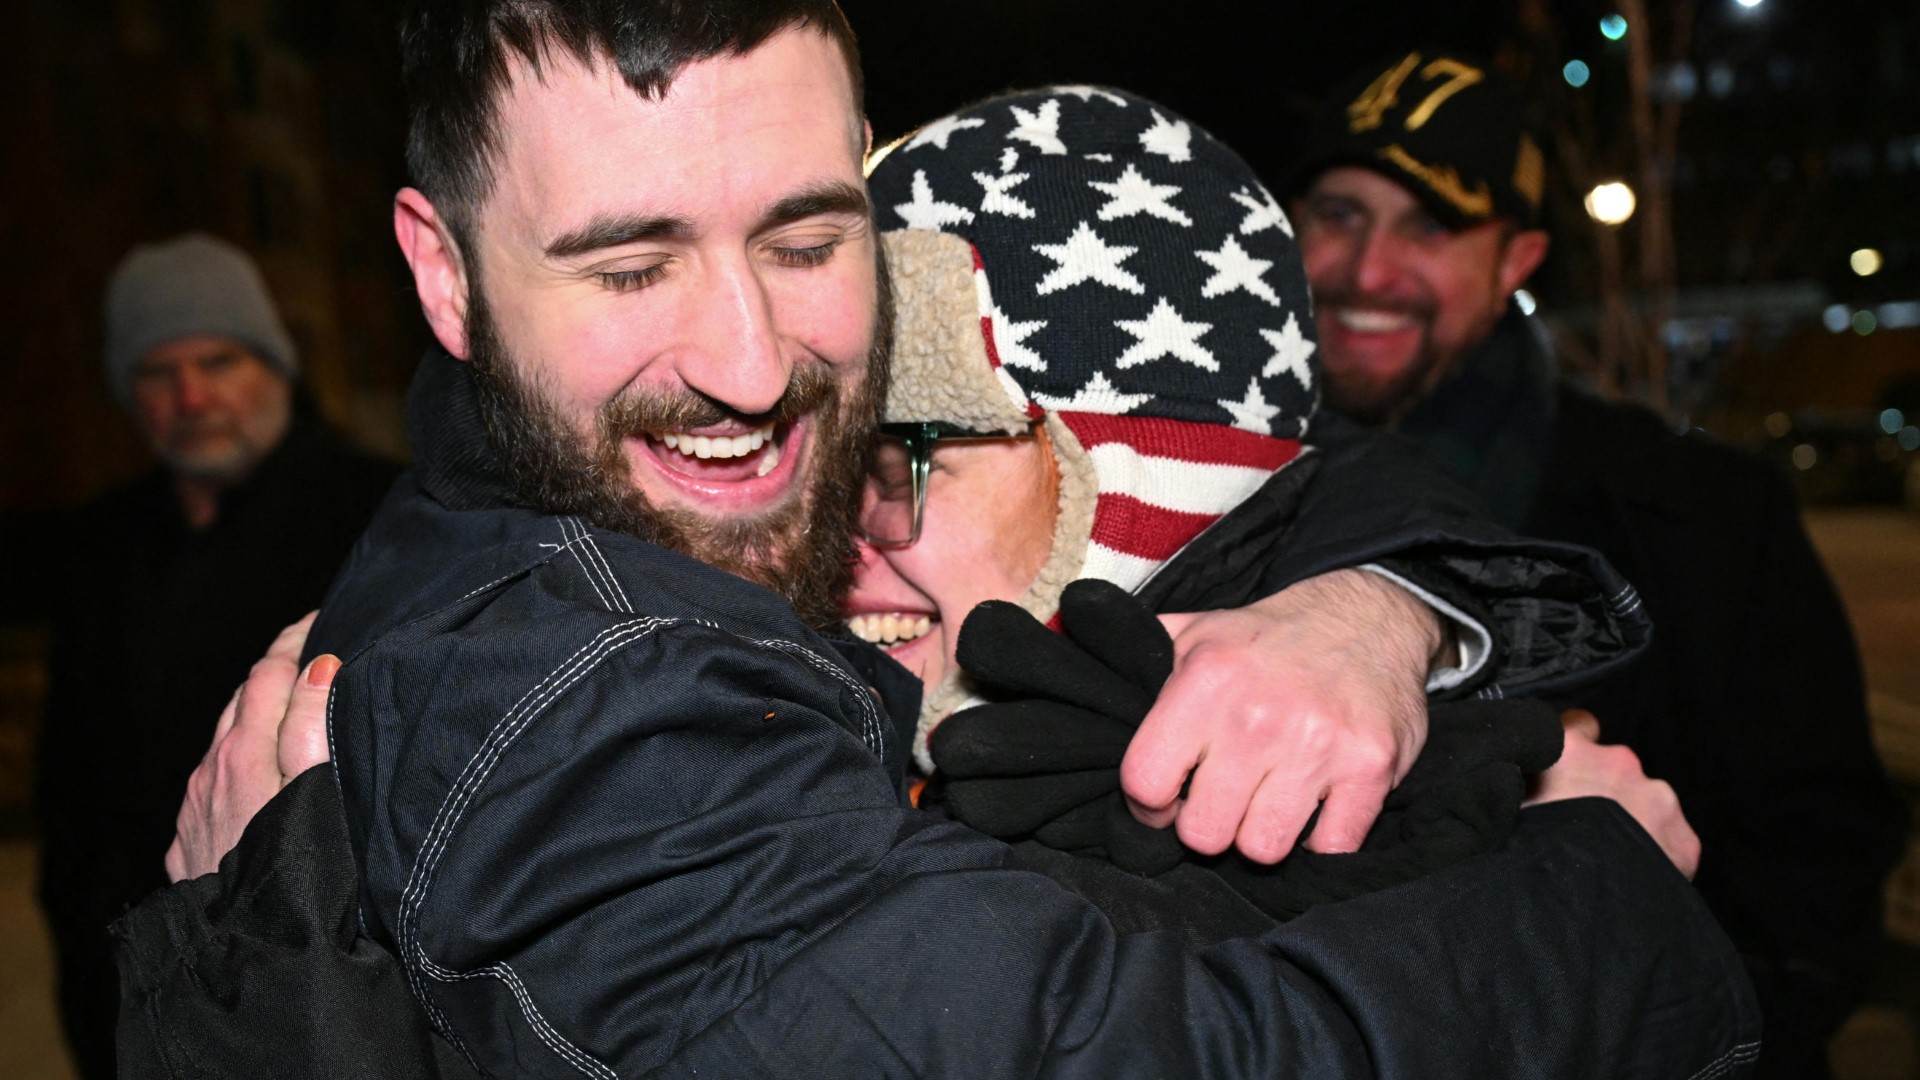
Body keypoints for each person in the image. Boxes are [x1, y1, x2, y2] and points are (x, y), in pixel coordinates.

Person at [119, 12, 1755, 1069]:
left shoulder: (689, 548)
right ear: (445, 270)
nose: (753, 368)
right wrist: (1600, 886)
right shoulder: (609, 689)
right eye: (630, 265)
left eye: (805, 239)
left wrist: (1384, 608)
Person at [1282, 49, 1907, 1078]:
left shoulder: (1702, 516)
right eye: (1340, 214)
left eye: (1431, 226)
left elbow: (1815, 873)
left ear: (1516, 261)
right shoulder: (1204, 483)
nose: (1368, 270)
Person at [32, 233, 398, 1080]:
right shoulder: (100, 548)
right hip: (131, 972)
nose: (191, 396)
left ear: (276, 366)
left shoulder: (377, 517)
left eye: (218, 361)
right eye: (158, 372)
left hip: (317, 983)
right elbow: (71, 781)